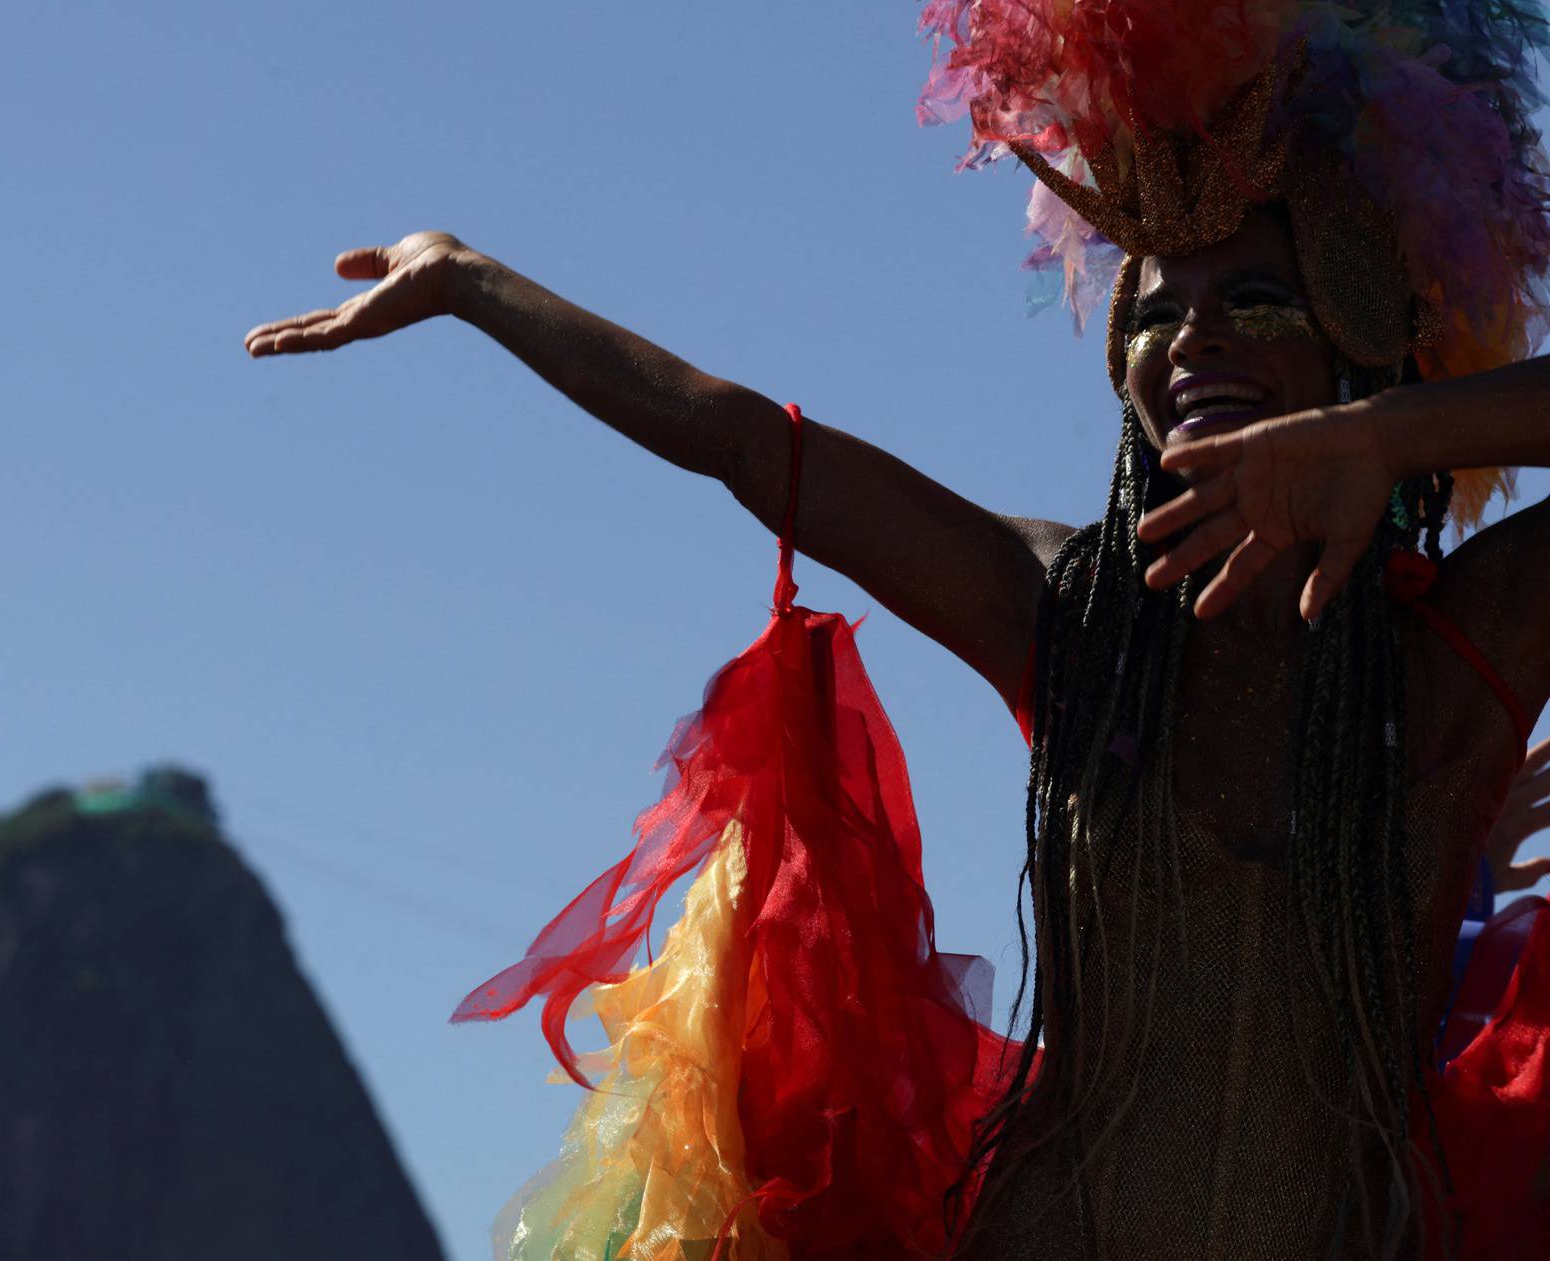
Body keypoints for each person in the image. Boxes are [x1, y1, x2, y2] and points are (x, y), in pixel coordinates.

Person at [246, 5, 1550, 1256]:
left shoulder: (1452, 661)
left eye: (1254, 300)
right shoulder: (1070, 612)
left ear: (1359, 340)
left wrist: (1386, 441)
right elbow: (746, 441)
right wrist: (472, 282)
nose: (1195, 337)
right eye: (1157, 310)